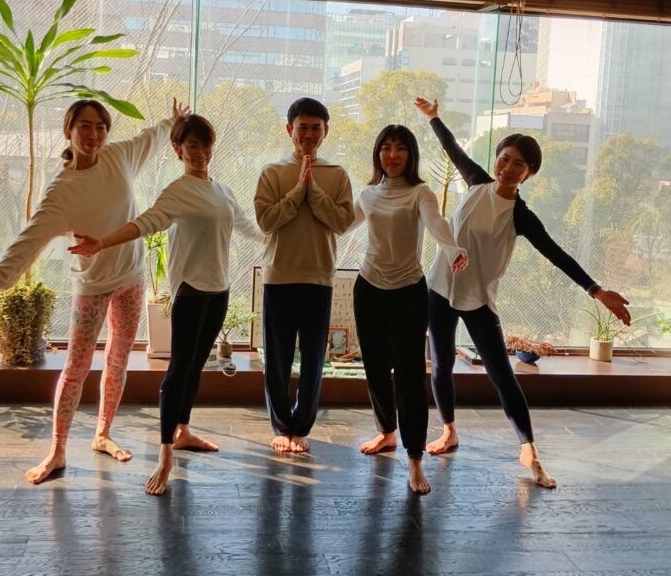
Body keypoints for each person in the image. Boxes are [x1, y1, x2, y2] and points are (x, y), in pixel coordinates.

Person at [0, 97, 189, 485]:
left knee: (117, 360)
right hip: (91, 287)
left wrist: (173, 121)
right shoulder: (61, 192)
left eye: (101, 127)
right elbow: (27, 243)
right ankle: (58, 450)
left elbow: (152, 136)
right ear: (68, 131)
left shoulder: (120, 157)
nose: (94, 134)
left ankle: (102, 434)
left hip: (131, 279)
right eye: (85, 126)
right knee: (76, 368)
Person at [415, 96, 631, 489]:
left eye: (519, 164)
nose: (508, 168)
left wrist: (596, 290)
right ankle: (449, 431)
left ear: (528, 173)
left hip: (479, 298)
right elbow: (451, 147)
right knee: (442, 364)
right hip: (440, 289)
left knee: (502, 374)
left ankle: (529, 448)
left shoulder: (520, 215)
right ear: (496, 159)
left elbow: (556, 253)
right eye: (505, 159)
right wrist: (434, 118)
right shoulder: (476, 181)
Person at [70, 114, 263, 496]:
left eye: (205, 145)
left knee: (196, 368)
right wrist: (102, 242)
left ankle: (183, 431)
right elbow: (145, 223)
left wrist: (283, 240)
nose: (200, 153)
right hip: (190, 290)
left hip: (219, 290)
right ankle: (163, 456)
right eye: (192, 146)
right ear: (178, 150)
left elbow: (247, 227)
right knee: (178, 371)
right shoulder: (177, 192)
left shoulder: (223, 191)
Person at [352, 124, 468, 495]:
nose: (393, 155)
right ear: (377, 153)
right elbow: (338, 224)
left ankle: (415, 458)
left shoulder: (421, 193)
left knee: (409, 376)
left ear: (411, 154)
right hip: (368, 289)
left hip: (408, 293)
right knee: (374, 370)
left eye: (400, 148)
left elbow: (436, 223)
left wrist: (452, 249)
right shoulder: (368, 194)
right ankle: (387, 432)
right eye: (386, 147)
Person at [254, 97, 354, 455]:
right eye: (302, 127)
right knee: (277, 360)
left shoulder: (337, 174)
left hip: (319, 277)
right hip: (279, 275)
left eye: (316, 128)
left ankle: (302, 427)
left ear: (326, 131)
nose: (309, 134)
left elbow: (342, 223)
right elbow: (266, 221)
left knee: (314, 360)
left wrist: (314, 191)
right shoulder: (272, 172)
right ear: (289, 130)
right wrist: (298, 192)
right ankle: (282, 427)